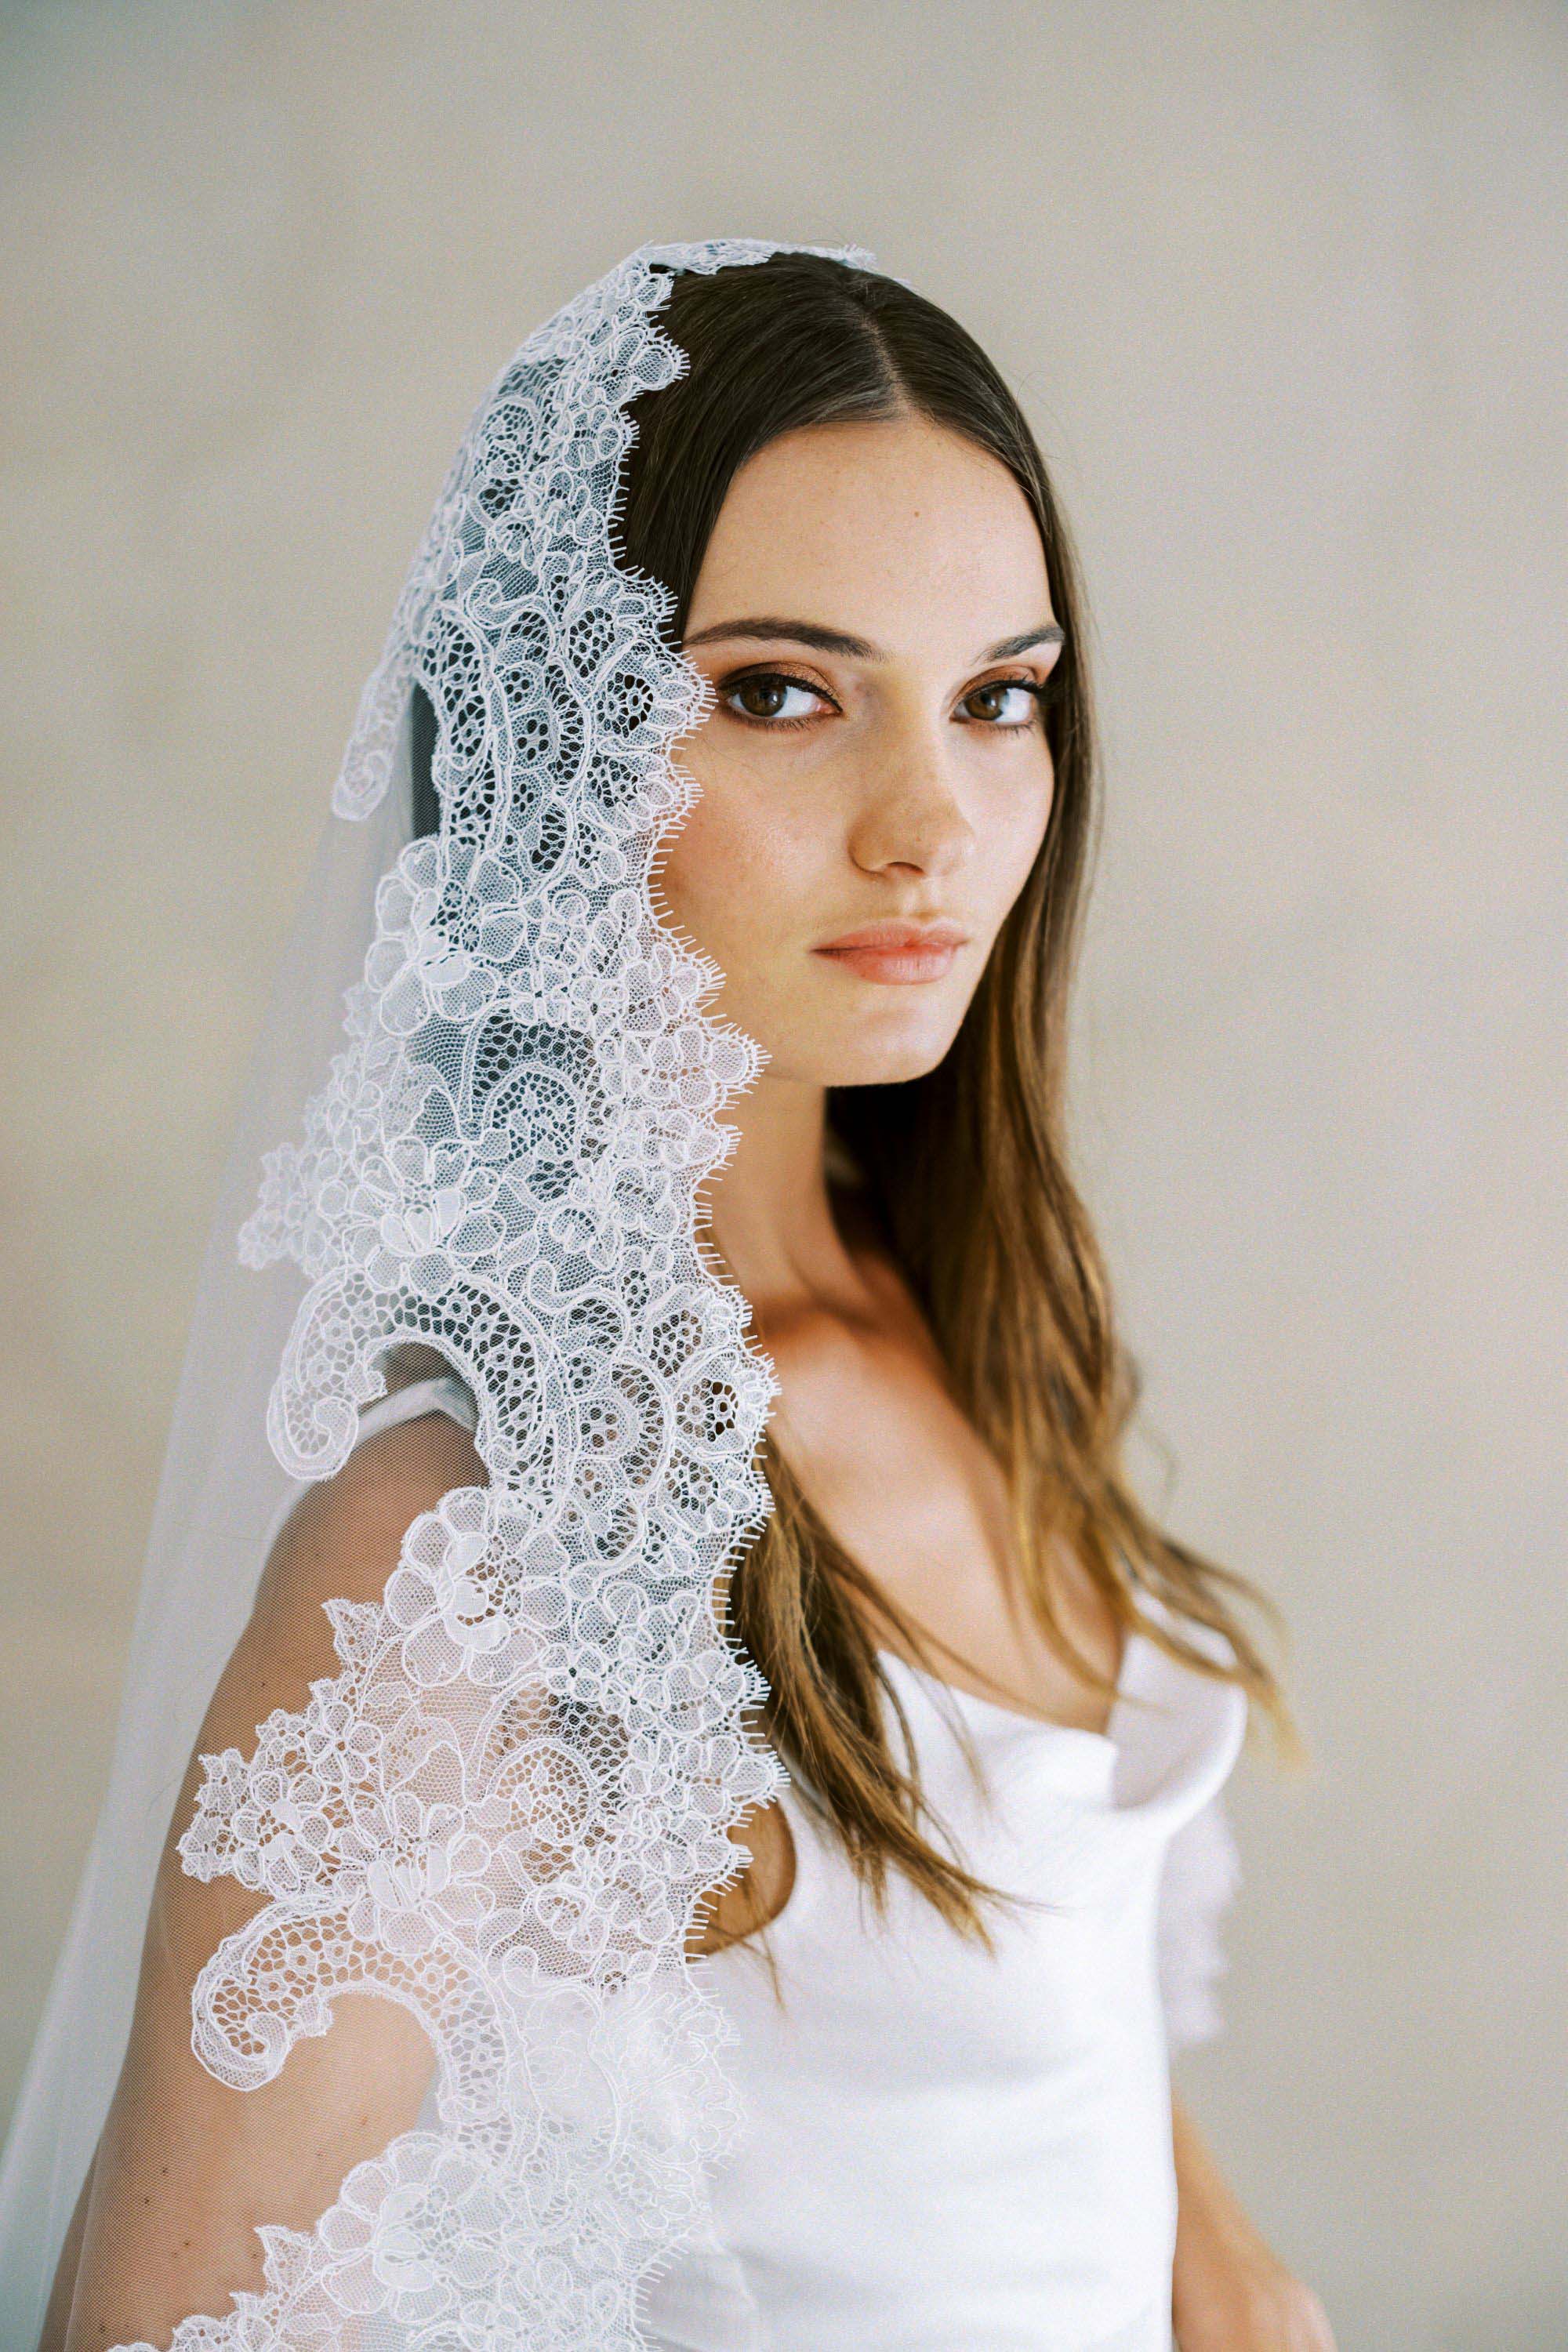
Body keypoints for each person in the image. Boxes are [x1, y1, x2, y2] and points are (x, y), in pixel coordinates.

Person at [6, 238, 1335, 2351]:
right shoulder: (463, 1561)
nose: (936, 825)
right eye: (783, 692)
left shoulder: (981, 1331)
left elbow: (1000, 2000)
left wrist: (1215, 2255)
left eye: (999, 695)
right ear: (550, 753)